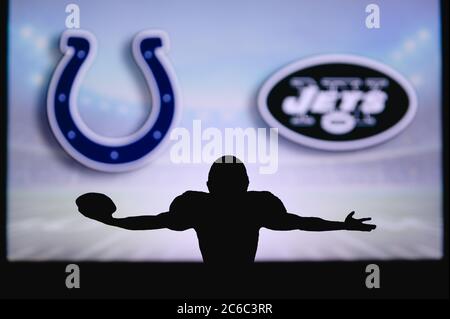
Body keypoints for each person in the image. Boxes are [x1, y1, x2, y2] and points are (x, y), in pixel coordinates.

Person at [76, 155, 376, 264]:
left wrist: (112, 221)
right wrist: (343, 225)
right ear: (247, 182)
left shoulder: (196, 204)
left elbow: (152, 222)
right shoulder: (257, 204)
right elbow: (300, 222)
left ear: (208, 183)